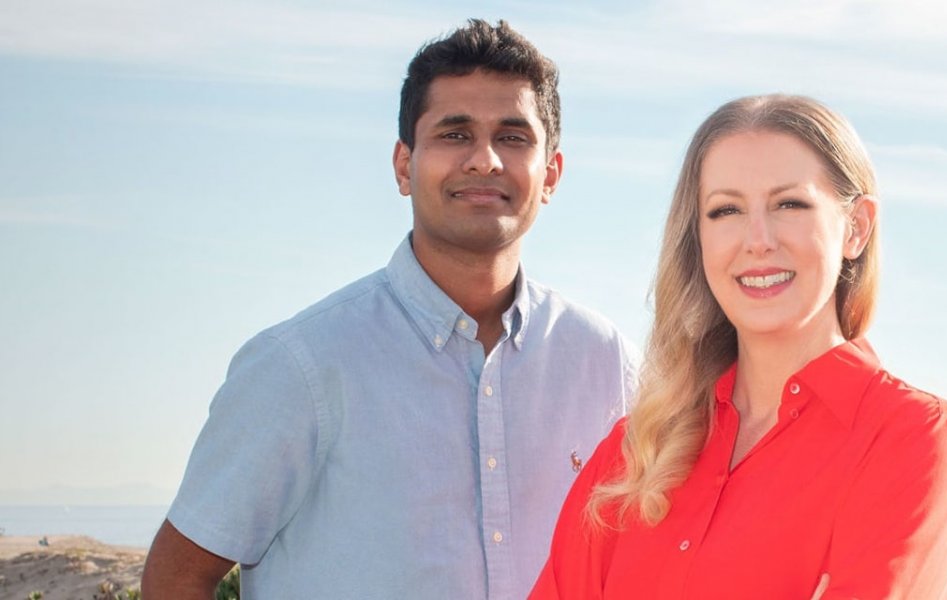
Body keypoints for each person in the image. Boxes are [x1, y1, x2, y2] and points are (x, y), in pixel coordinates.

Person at [142, 19, 637, 599]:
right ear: (404, 166)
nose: (484, 160)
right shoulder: (300, 366)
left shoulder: (606, 362)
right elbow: (177, 577)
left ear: (550, 173)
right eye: (455, 134)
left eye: (513, 136)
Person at [530, 94, 947, 599]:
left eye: (790, 204)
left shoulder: (914, 441)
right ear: (698, 238)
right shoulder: (634, 454)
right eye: (726, 210)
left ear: (856, 228)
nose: (757, 240)